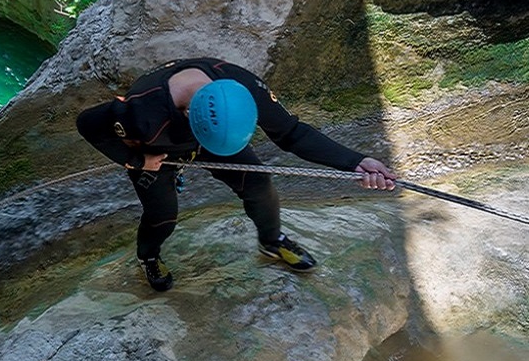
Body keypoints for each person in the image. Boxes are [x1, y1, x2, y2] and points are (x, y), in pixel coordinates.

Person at [76, 57, 396, 292]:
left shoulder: (242, 88)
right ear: (188, 114)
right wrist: (136, 159)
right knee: (163, 213)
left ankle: (271, 241)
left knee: (258, 182)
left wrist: (356, 162)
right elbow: (87, 123)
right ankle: (148, 257)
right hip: (156, 152)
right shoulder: (140, 112)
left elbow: (293, 134)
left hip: (216, 139)